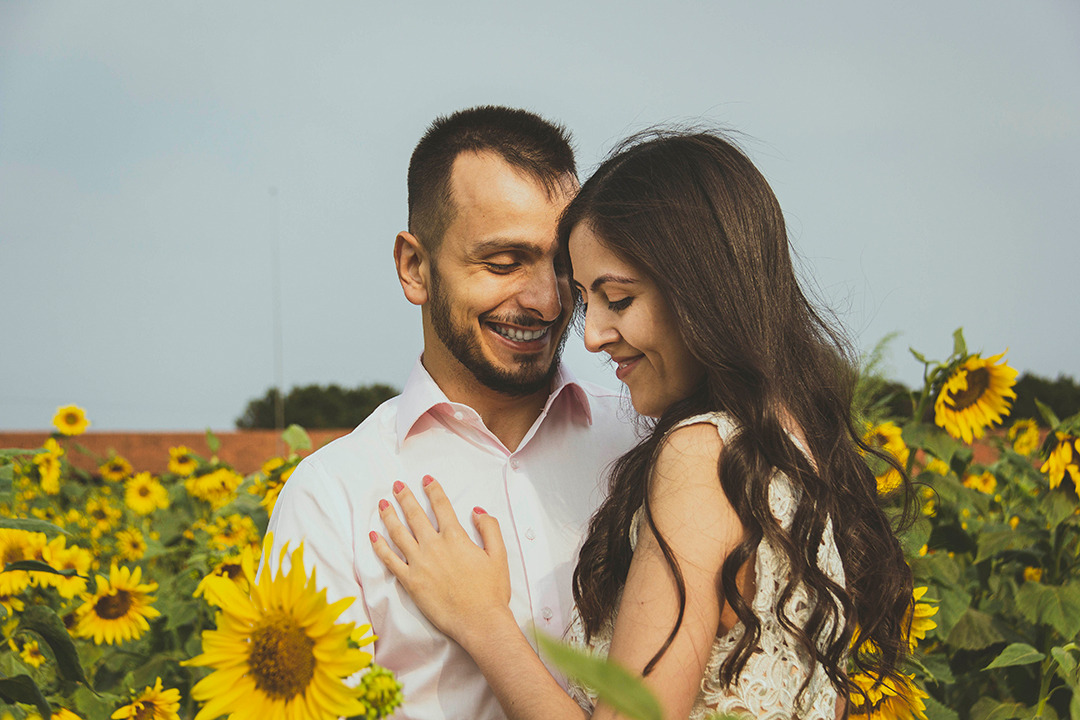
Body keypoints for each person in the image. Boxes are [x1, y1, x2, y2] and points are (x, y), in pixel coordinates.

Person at [372, 130, 916, 719]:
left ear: (702, 290)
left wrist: (485, 625)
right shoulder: (791, 442)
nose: (593, 334)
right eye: (587, 299)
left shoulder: (702, 454)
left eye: (619, 299)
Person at [265, 106, 640, 720]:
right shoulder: (331, 498)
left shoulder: (644, 445)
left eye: (563, 266)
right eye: (503, 263)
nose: (547, 300)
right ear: (415, 267)